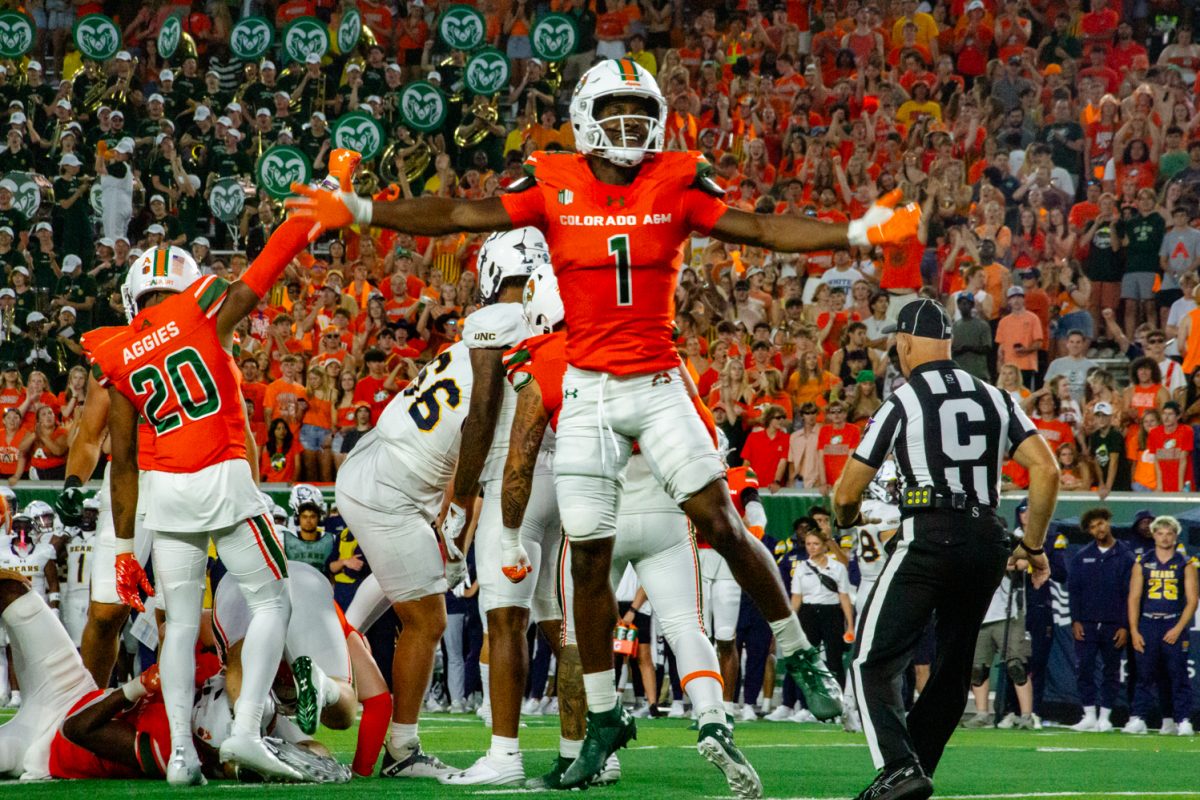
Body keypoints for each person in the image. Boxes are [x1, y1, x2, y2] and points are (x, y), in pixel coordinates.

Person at [287, 58, 920, 785]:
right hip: (587, 387)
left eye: (638, 111)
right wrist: (364, 211)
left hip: (654, 379)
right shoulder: (552, 179)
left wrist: (854, 230)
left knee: (718, 519)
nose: (627, 126)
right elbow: (463, 213)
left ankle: (796, 648)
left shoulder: (678, 175)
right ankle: (601, 714)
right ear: (586, 119)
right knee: (586, 557)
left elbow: (758, 228)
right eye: (613, 111)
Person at [83, 151, 349, 784]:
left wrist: (124, 550)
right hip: (223, 476)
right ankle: (248, 731)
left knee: (178, 625)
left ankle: (179, 756)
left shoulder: (115, 350)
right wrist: (328, 195)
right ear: (185, 282)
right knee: (271, 604)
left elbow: (122, 465)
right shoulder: (201, 315)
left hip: (163, 492)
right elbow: (268, 264)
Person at [498, 266, 760, 796]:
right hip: (660, 501)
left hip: (595, 509)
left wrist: (508, 537)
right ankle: (713, 719)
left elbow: (520, 461)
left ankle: (584, 751)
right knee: (687, 624)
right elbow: (705, 431)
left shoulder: (545, 357)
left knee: (577, 637)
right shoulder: (650, 343)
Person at [832, 299, 1059, 800]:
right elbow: (1047, 471)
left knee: (871, 660)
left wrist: (843, 521)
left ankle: (897, 766)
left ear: (905, 343)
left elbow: (847, 493)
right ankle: (913, 771)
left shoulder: (904, 399)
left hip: (930, 533)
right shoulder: (996, 397)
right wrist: (1032, 544)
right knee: (953, 671)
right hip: (987, 541)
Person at [1124, 515, 1198, 737]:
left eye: (1169, 533)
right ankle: (1139, 717)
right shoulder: (1143, 562)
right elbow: (1134, 598)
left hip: (1173, 620)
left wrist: (1178, 628)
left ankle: (1183, 719)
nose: (1165, 538)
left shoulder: (1185, 563)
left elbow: (1193, 600)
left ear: (1175, 536)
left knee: (1178, 673)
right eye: (1160, 533)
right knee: (1144, 673)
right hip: (1148, 622)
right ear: (1153, 535)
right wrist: (1135, 630)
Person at [1068, 507, 1134, 734]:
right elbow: (1074, 591)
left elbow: (1131, 595)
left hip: (1114, 625)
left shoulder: (1126, 556)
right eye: (1093, 526)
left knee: (1111, 670)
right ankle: (1088, 715)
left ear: (1108, 522)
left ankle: (1105, 716)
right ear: (1089, 531)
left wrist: (1125, 625)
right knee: (1084, 668)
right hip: (1086, 623)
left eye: (1101, 523)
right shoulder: (1081, 556)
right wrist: (1075, 620)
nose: (1099, 528)